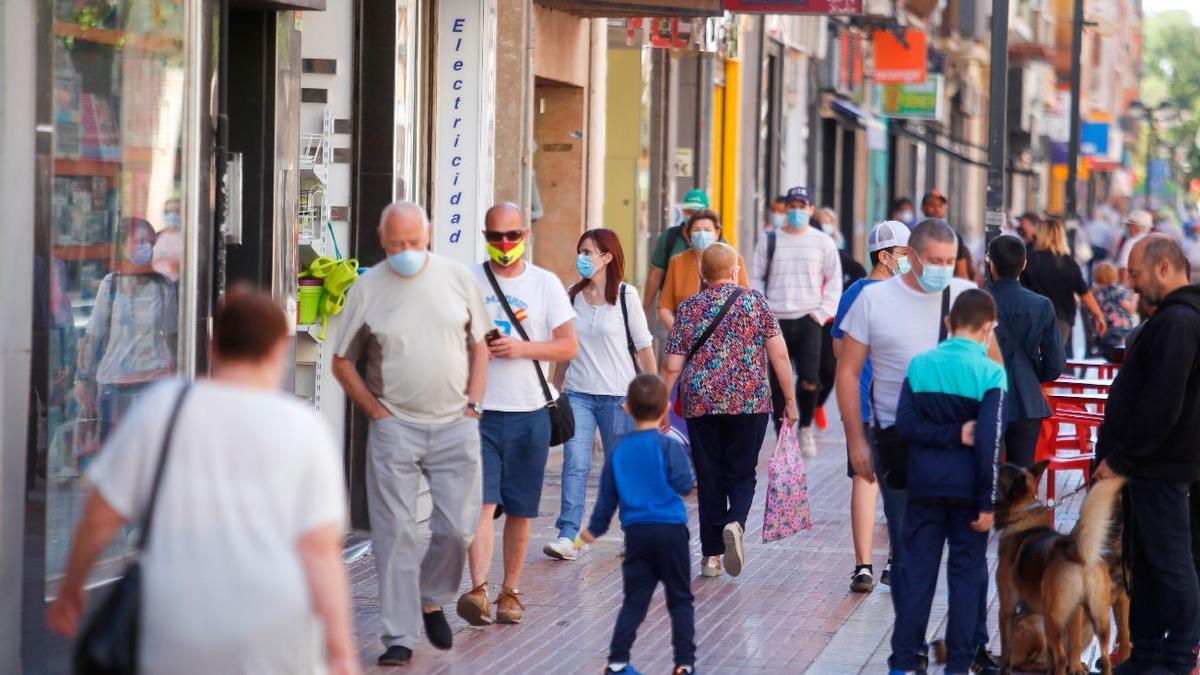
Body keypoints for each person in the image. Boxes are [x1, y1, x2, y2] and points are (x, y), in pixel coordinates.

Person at [47, 287, 359, 675]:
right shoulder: (304, 428)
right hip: (277, 629)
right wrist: (342, 652)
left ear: (213, 344)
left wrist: (71, 586)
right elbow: (320, 550)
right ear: (280, 350)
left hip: (175, 621)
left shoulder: (164, 407)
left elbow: (101, 515)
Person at [836, 218, 1002, 673]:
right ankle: (910, 652)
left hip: (964, 447)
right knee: (913, 556)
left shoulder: (965, 296)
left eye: (950, 262)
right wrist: (856, 441)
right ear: (909, 255)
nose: (943, 270)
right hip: (898, 442)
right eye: (934, 261)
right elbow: (848, 372)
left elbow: (995, 370)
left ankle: (969, 646)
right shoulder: (874, 298)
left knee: (967, 559)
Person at [331, 202, 490, 666]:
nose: (406, 252)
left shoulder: (457, 278)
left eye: (414, 244)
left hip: (455, 424)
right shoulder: (367, 288)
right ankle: (399, 634)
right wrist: (376, 413)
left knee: (458, 527)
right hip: (394, 426)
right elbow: (342, 361)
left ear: (429, 236)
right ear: (382, 240)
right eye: (397, 244)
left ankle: (432, 595)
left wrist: (473, 406)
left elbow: (481, 347)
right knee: (394, 532)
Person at [459, 203, 579, 625]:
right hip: (481, 413)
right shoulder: (470, 280)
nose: (504, 244)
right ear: (485, 236)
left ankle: (510, 590)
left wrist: (521, 349)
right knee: (482, 505)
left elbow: (568, 346)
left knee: (522, 510)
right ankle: (478, 591)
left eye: (512, 236)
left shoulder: (545, 283)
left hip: (531, 413)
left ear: (526, 234)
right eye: (496, 237)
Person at [1095, 235, 1200, 675]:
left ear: (1162, 268)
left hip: (1161, 465)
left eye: (1136, 275)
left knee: (1171, 561)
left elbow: (1162, 402)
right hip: (1152, 465)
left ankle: (1176, 656)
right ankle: (1150, 653)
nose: (1132, 287)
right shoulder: (1173, 319)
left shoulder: (1178, 321)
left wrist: (1120, 458)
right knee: (1151, 563)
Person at [888, 289, 1007, 675]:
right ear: (989, 327)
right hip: (969, 492)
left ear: (948, 323)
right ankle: (957, 667)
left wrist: (948, 433)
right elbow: (989, 443)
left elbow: (904, 426)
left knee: (917, 577)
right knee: (966, 579)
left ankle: (902, 663)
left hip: (924, 488)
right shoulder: (990, 372)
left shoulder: (920, 365)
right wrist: (989, 502)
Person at [663, 243, 798, 579]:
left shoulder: (689, 307)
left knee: (709, 474)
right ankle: (735, 522)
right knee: (741, 471)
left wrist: (663, 405)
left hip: (701, 401)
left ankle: (711, 558)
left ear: (701, 273)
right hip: (749, 401)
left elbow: (671, 365)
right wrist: (791, 401)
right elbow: (779, 356)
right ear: (736, 269)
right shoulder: (755, 302)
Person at [544, 228, 656, 561]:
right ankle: (567, 535)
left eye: (588, 252)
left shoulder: (626, 296)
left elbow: (644, 349)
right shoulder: (570, 295)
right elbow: (565, 347)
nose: (582, 258)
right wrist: (556, 387)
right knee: (575, 464)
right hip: (578, 395)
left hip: (619, 398)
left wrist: (652, 399)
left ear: (607, 257)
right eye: (580, 251)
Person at [581, 374, 696, 675]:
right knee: (680, 598)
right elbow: (685, 484)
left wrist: (594, 529)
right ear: (664, 411)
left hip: (637, 533)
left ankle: (617, 663)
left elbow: (607, 497)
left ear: (628, 408)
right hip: (671, 530)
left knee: (634, 600)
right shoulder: (669, 447)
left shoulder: (619, 451)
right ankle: (684, 664)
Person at [831, 220, 911, 592]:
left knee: (865, 480)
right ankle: (896, 561)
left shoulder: (854, 293)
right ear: (885, 256)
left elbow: (838, 348)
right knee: (899, 483)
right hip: (900, 407)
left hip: (862, 405)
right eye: (904, 253)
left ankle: (862, 566)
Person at [750, 186, 842, 457]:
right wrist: (762, 312)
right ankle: (783, 433)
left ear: (811, 209)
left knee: (810, 378)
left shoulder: (822, 242)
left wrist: (820, 314)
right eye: (793, 205)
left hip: (808, 318)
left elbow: (834, 281)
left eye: (803, 206)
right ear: (786, 207)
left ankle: (806, 427)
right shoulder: (769, 240)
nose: (797, 211)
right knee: (778, 380)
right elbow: (755, 279)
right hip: (775, 319)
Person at [74, 217, 178, 442]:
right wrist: (81, 378)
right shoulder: (110, 284)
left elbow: (172, 335)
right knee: (113, 452)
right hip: (114, 385)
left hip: (154, 382)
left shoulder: (164, 285)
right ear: (123, 246)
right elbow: (93, 334)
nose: (144, 246)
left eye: (149, 241)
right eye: (138, 240)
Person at [986, 235, 1065, 468]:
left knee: (984, 474)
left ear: (991, 264)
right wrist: (1030, 373)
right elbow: (1055, 365)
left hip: (985, 395)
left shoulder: (977, 301)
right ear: (1024, 264)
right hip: (1027, 399)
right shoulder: (1041, 305)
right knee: (1020, 481)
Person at [813, 208, 866, 433]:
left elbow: (860, 275)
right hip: (811, 318)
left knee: (827, 370)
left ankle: (816, 404)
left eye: (828, 223)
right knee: (807, 371)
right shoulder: (812, 258)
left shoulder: (844, 260)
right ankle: (803, 413)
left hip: (832, 319)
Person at [1020, 216, 1107, 351]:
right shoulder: (1068, 263)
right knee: (1052, 361)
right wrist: (1099, 315)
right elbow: (1083, 291)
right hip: (1061, 319)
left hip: (1032, 317)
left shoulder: (1029, 260)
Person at [658, 209, 750, 332]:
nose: (701, 234)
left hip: (727, 338)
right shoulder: (677, 262)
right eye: (696, 230)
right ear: (688, 234)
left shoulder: (735, 259)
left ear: (717, 233)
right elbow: (664, 307)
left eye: (707, 230)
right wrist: (680, 335)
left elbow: (747, 303)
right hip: (687, 340)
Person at [642, 189, 710, 321]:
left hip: (711, 319)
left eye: (698, 212)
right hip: (672, 315)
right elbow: (655, 274)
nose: (693, 216)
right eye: (690, 212)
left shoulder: (720, 244)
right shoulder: (669, 238)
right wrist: (645, 310)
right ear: (683, 212)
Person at [1091, 261, 1137, 352]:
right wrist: (1136, 297)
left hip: (1103, 333)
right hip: (1122, 333)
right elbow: (1131, 309)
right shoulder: (1118, 291)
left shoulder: (1093, 293)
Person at [1116, 210, 1154, 285]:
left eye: (1128, 226)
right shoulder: (1153, 241)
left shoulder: (1131, 243)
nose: (1128, 229)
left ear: (1134, 228)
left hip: (1133, 286)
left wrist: (1122, 287)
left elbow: (1124, 268)